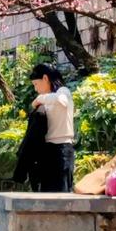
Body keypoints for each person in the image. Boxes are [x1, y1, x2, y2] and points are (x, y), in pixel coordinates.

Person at [29, 62, 75, 192]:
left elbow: (62, 100)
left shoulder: (62, 91)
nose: (36, 89)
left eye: (36, 84)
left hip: (62, 150)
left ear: (45, 78)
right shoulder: (46, 100)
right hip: (47, 150)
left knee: (62, 192)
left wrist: (40, 99)